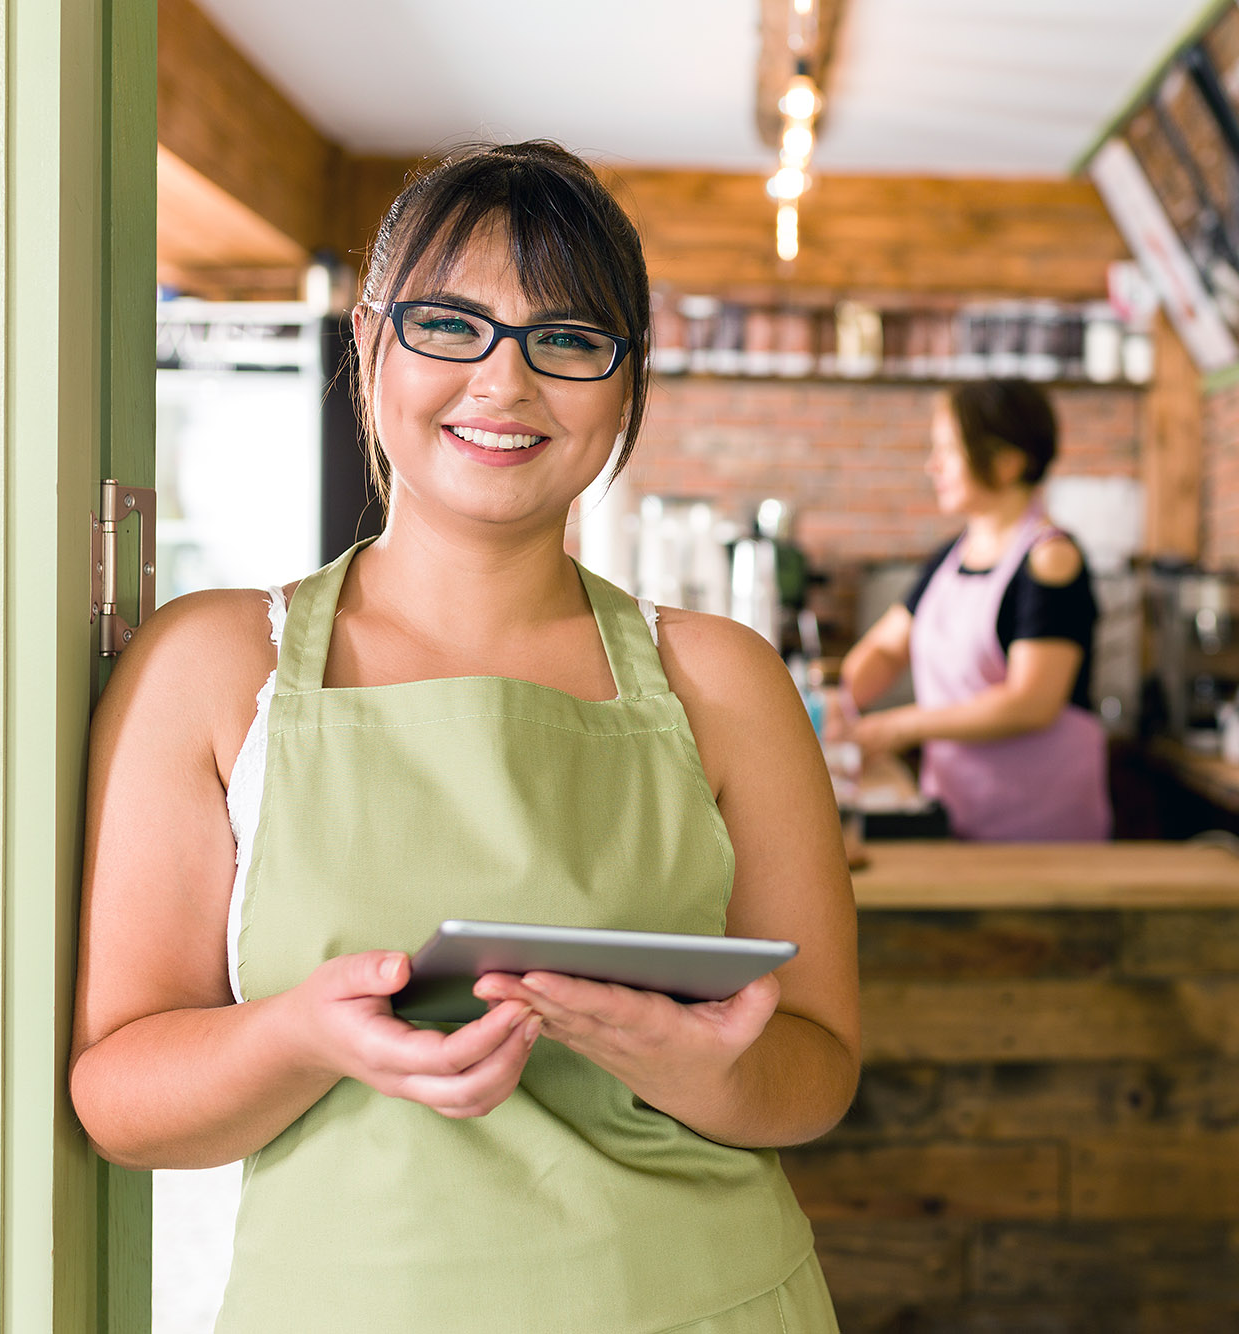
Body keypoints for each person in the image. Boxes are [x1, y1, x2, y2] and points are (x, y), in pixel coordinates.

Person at [69, 141, 860, 1332]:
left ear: (627, 383)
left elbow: (818, 1068)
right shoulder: (211, 666)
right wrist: (302, 1036)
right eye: (451, 324)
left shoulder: (726, 680)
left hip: (708, 1299)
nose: (505, 380)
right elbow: (120, 1095)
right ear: (368, 343)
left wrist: (704, 1069)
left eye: (570, 339)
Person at [840, 381, 1111, 841]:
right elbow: (886, 649)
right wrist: (839, 702)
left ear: (1007, 463)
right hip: (956, 810)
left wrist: (898, 727)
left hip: (1042, 831)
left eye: (949, 449)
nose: (933, 466)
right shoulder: (950, 558)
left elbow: (1032, 702)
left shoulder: (1052, 561)